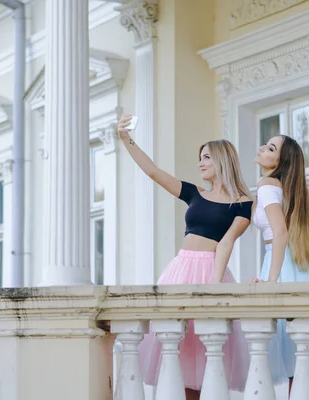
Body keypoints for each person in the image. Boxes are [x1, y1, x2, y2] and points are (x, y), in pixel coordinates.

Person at [116, 115, 251, 399]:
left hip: (212, 273)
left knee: (206, 358)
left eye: (206, 158)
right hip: (180, 272)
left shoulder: (244, 203)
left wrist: (214, 286)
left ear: (222, 160)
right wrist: (127, 140)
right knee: (179, 355)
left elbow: (226, 244)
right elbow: (154, 172)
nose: (200, 163)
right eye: (200, 158)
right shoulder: (194, 193)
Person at [251, 135, 309, 400]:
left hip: (283, 266)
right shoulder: (287, 189)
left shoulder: (267, 186)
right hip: (301, 266)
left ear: (281, 161)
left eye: (270, 148)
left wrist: (271, 281)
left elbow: (280, 234)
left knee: (297, 364)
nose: (262, 148)